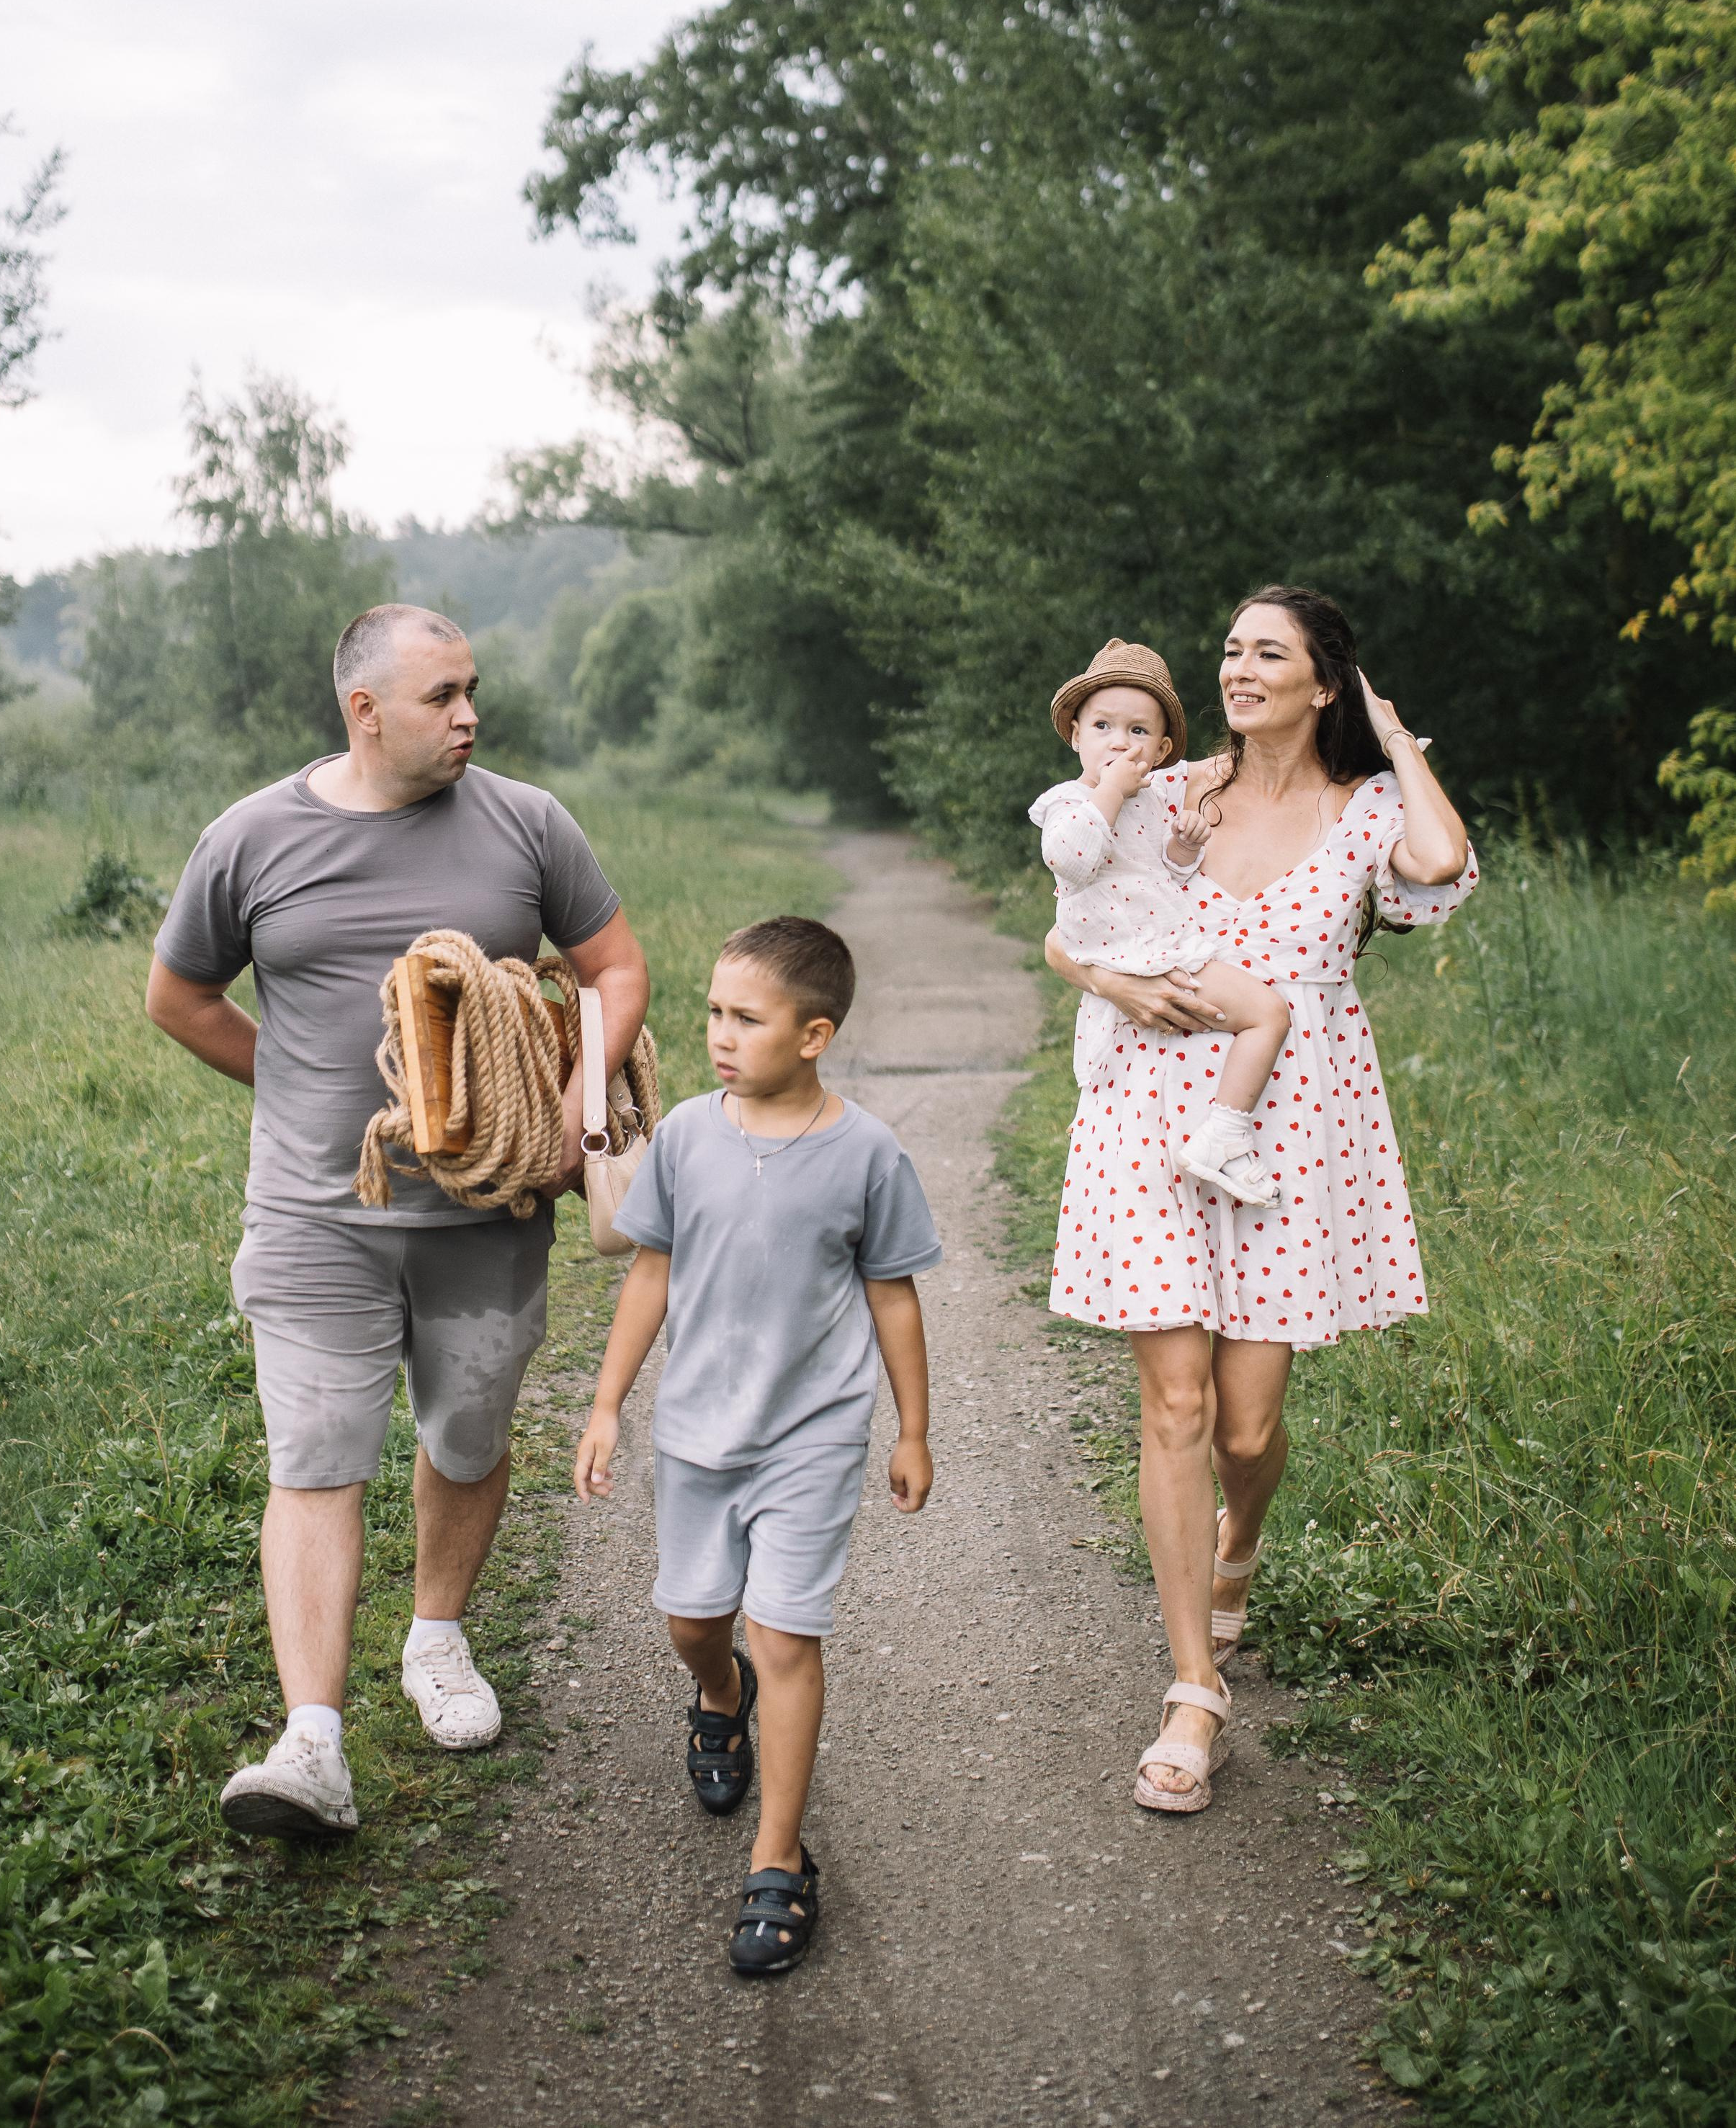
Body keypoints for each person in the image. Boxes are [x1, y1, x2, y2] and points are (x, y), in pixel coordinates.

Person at [146, 604, 649, 1841]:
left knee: (467, 1435)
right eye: (441, 695)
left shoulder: (528, 824)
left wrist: (575, 1119)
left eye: (473, 689)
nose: (469, 713)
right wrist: (310, 1094)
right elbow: (180, 996)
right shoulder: (253, 837)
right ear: (363, 711)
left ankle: (435, 1638)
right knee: (315, 1457)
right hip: (317, 1220)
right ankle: (310, 1741)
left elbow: (613, 970)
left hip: (489, 1216)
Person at [1042, 587, 1475, 1815]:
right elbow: (1068, 927)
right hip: (1145, 1114)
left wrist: (1395, 740)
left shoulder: (1367, 808)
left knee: (1243, 1430)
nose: (1235, 668)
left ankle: (1239, 1542)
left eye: (1265, 654)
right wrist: (1118, 992)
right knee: (1172, 1405)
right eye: (1228, 649)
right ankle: (1193, 1694)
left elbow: (1438, 870)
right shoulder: (1174, 790)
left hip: (1294, 1128)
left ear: (1321, 684)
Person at [573, 916, 939, 1975]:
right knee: (695, 1625)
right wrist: (606, 1407)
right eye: (712, 1015)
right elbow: (650, 1274)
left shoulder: (865, 1152)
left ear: (814, 1033)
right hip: (695, 1434)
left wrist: (911, 1428)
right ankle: (716, 1693)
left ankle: (778, 1861)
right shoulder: (686, 1133)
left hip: (810, 1438)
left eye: (746, 1018)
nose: (719, 1036)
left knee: (785, 1636)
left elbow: (894, 1296)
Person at [1032, 637, 1291, 1207]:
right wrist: (1109, 793)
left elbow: (1161, 877)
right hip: (1143, 951)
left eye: (1137, 732)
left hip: (1157, 939)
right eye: (1101, 727)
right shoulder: (1068, 802)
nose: (1118, 743)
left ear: (1162, 748)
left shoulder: (1151, 803)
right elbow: (1071, 862)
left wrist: (1181, 845)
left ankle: (1219, 1130)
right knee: (1268, 1014)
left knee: (1261, 1014)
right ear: (1075, 735)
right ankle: (1225, 1134)